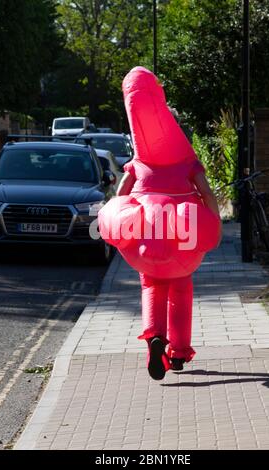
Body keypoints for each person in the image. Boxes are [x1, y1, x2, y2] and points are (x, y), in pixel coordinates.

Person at [98, 67, 221, 380]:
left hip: (145, 236)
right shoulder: (188, 160)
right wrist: (214, 223)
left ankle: (154, 337)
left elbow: (121, 192)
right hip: (183, 235)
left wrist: (117, 216)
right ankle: (178, 354)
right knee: (181, 288)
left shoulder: (139, 161)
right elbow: (206, 193)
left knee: (151, 285)